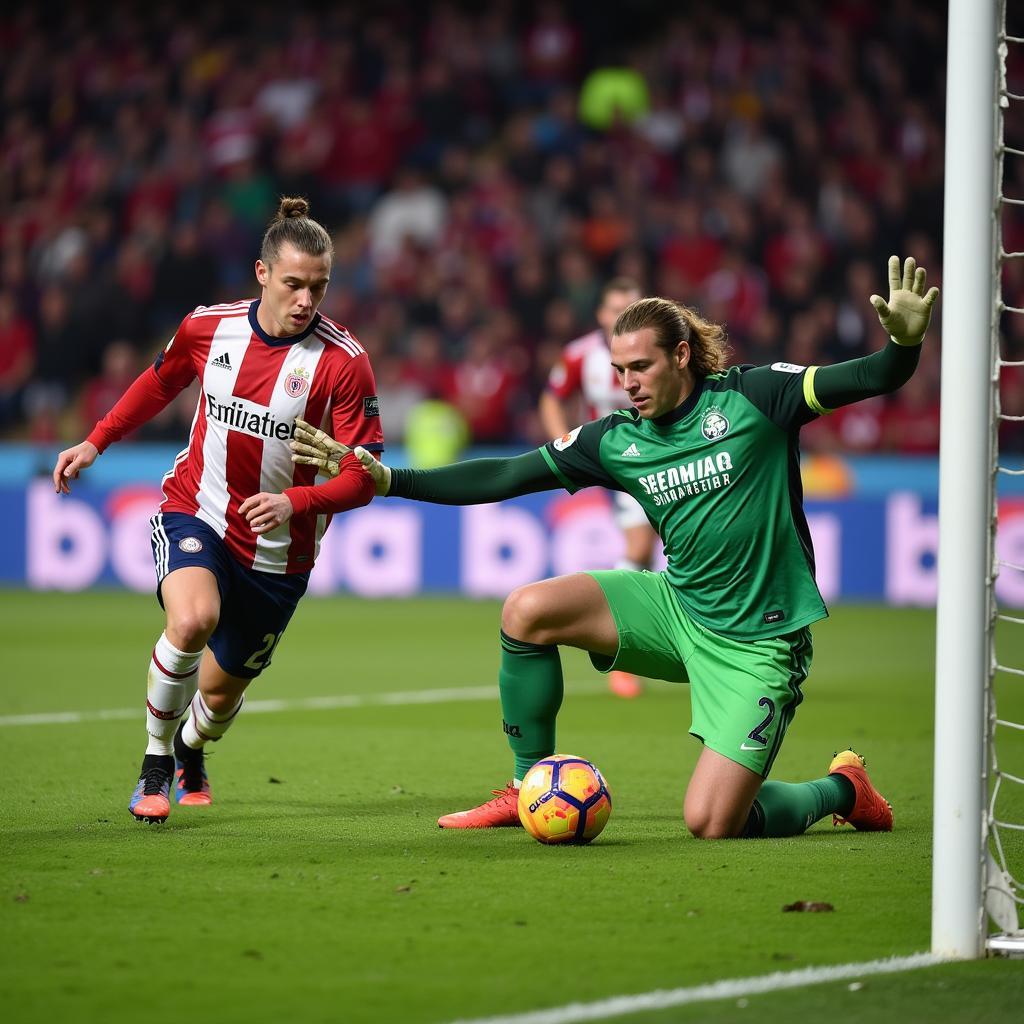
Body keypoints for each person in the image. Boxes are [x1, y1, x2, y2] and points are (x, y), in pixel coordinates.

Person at [292, 255, 937, 838]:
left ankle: (841, 789)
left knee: (712, 823)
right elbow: (505, 474)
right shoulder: (614, 441)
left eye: (641, 367)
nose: (627, 383)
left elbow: (874, 375)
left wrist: (903, 344)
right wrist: (390, 478)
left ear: (682, 355)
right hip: (677, 609)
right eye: (619, 369)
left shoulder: (758, 397)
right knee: (526, 611)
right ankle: (526, 784)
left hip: (760, 642)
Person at [53, 197, 383, 824]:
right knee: (192, 620)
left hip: (281, 553)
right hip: (196, 510)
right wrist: (96, 440)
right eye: (293, 284)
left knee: (219, 693)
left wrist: (296, 500)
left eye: (319, 287)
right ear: (262, 274)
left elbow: (363, 477)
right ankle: (153, 764)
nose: (306, 300)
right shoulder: (210, 327)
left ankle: (189, 748)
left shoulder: (344, 363)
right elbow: (159, 380)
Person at [539, 277, 658, 698]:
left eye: (632, 305)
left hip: (666, 454)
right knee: (641, 548)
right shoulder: (580, 355)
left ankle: (657, 640)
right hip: (623, 462)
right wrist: (563, 449)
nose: (622, 314)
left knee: (663, 556)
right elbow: (551, 398)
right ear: (602, 315)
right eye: (616, 308)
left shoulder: (658, 349)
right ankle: (619, 648)